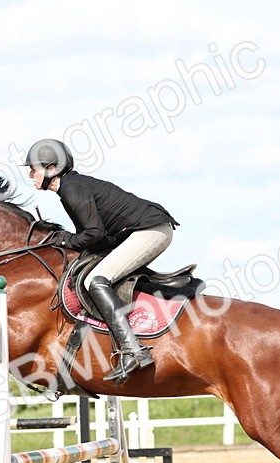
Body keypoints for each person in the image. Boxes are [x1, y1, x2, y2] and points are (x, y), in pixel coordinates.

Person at [24, 138, 179, 384]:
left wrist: (62, 239)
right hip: (142, 230)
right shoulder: (71, 187)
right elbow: (97, 237)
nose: (30, 174)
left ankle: (133, 350)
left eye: (34, 168)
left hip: (151, 230)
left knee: (96, 280)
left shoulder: (71, 189)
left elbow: (93, 234)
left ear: (51, 168)